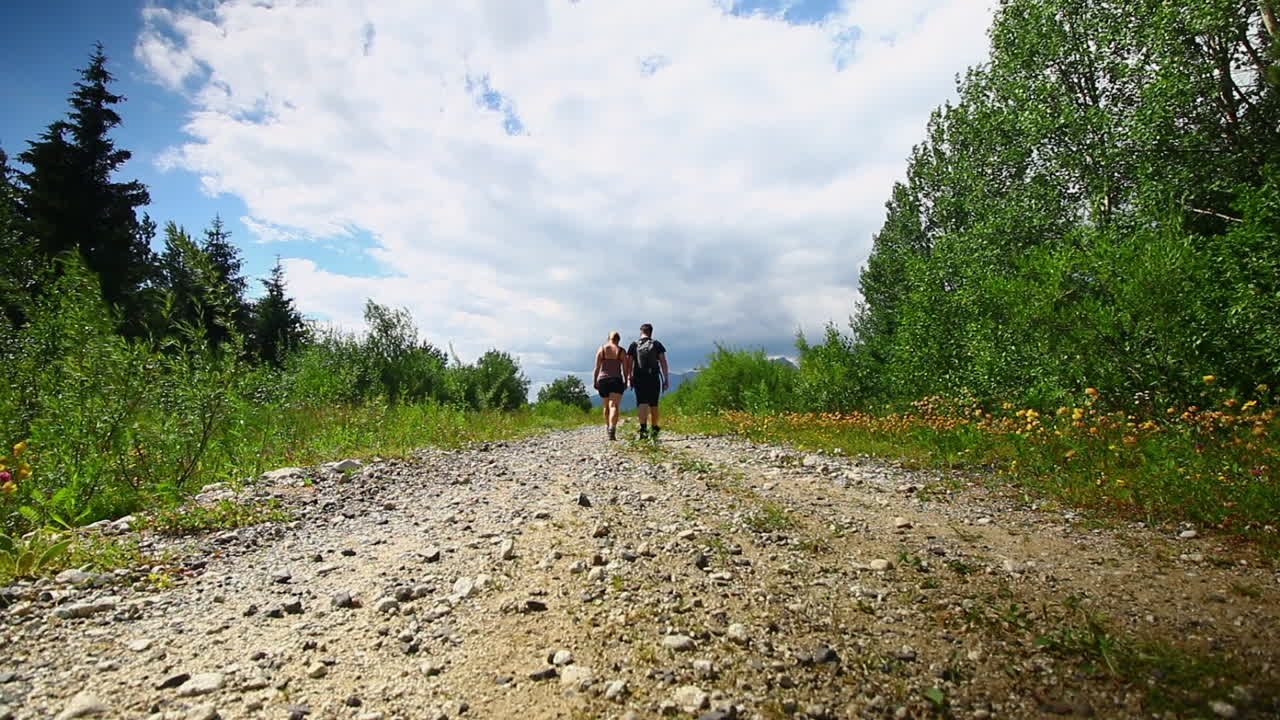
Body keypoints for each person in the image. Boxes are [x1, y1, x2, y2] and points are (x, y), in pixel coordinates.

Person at [627, 323, 669, 440]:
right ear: (651, 332)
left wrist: (629, 378)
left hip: (639, 378)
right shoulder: (656, 344)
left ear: (641, 331)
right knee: (654, 404)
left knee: (642, 403)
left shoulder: (633, 345)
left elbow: (629, 364)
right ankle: (654, 428)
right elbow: (663, 362)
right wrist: (666, 379)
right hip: (653, 377)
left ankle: (643, 429)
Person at [593, 330, 630, 441]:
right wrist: (626, 380)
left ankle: (608, 426)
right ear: (618, 340)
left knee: (606, 406)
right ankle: (612, 429)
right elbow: (625, 369)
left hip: (603, 380)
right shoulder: (621, 351)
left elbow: (597, 368)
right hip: (616, 380)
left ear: (608, 338)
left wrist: (595, 381)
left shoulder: (602, 349)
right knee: (613, 405)